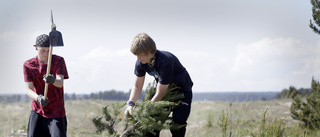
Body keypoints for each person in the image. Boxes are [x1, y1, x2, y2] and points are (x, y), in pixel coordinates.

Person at [125, 33, 193, 137]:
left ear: (149, 51)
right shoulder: (141, 62)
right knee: (153, 126)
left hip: (182, 91)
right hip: (164, 90)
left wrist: (148, 109)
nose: (138, 58)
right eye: (136, 55)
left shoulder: (165, 61)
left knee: (178, 124)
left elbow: (161, 92)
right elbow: (137, 86)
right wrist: (130, 103)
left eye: (140, 55)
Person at [23, 34, 69, 137]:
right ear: (36, 47)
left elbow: (60, 83)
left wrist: (52, 80)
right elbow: (29, 90)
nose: (46, 53)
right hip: (38, 110)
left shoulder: (58, 61)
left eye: (48, 50)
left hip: (57, 112)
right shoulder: (28, 65)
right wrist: (38, 98)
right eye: (42, 50)